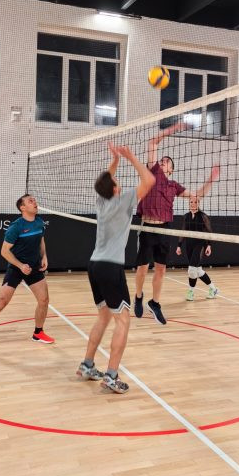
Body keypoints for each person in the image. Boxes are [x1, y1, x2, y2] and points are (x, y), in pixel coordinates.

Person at [76, 142, 156, 394]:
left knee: (103, 316)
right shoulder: (123, 200)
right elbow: (150, 180)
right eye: (116, 180)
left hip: (94, 266)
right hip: (111, 268)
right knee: (122, 320)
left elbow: (104, 180)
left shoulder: (102, 201)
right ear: (115, 188)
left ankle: (87, 365)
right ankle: (111, 376)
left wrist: (115, 161)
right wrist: (130, 157)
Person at [133, 122, 220, 324]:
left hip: (164, 229)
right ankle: (138, 296)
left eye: (167, 162)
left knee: (161, 269)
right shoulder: (153, 172)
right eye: (162, 160)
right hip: (147, 227)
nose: (163, 161)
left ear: (171, 170)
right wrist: (175, 128)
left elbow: (197, 195)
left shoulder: (174, 186)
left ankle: (155, 303)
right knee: (142, 268)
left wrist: (211, 180)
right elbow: (152, 142)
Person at [0, 194, 54, 356]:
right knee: (1, 302)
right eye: (30, 201)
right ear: (22, 208)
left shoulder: (39, 222)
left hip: (34, 267)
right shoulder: (16, 227)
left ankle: (38, 333)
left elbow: (41, 240)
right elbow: (4, 251)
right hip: (17, 267)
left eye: (34, 200)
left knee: (44, 300)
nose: (35, 202)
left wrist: (44, 256)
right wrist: (20, 266)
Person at [176, 195, 218, 301]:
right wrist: (179, 245)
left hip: (200, 244)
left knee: (191, 269)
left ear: (199, 204)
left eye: (195, 202)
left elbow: (209, 231)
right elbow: (183, 231)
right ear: (189, 203)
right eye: (191, 202)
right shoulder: (186, 216)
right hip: (189, 244)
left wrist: (209, 245)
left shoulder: (203, 216)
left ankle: (191, 292)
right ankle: (213, 289)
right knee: (198, 270)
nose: (193, 204)